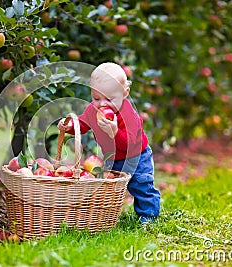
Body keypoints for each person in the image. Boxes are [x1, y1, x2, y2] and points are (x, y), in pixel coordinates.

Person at [57, 62, 161, 223]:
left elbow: (129, 144)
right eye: (96, 98)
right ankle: (107, 214)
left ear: (125, 93)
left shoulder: (128, 115)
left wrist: (114, 132)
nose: (102, 104)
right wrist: (69, 126)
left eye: (109, 99)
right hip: (112, 157)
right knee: (110, 186)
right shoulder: (93, 110)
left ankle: (148, 216)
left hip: (137, 157)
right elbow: (83, 124)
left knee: (141, 185)